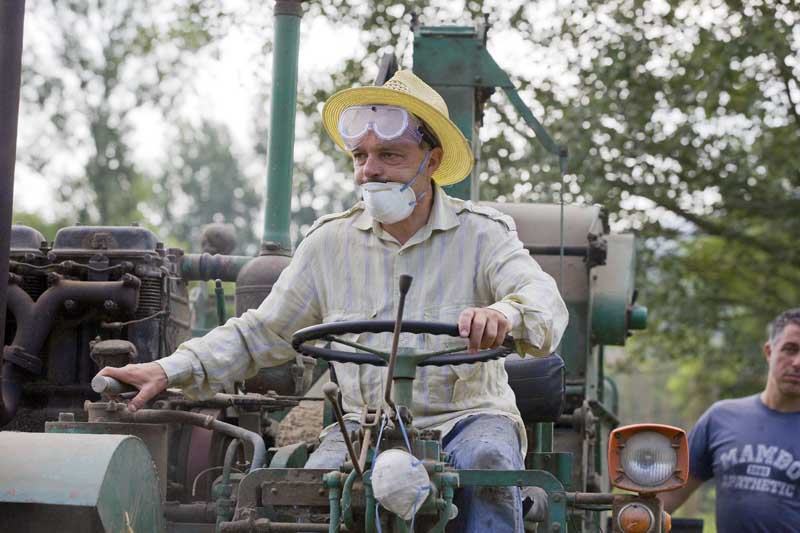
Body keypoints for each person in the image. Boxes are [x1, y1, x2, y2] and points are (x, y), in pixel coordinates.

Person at [99, 70, 568, 532]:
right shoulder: (328, 244)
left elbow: (544, 302)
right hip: (363, 429)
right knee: (302, 492)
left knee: (489, 465)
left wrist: (503, 314)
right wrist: (167, 370)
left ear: (432, 160)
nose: (371, 170)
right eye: (360, 156)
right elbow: (261, 332)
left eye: (390, 154)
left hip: (467, 419)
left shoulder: (483, 235)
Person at [659, 308, 800, 532]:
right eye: (790, 349)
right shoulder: (720, 418)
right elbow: (669, 496)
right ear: (769, 351)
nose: (797, 362)